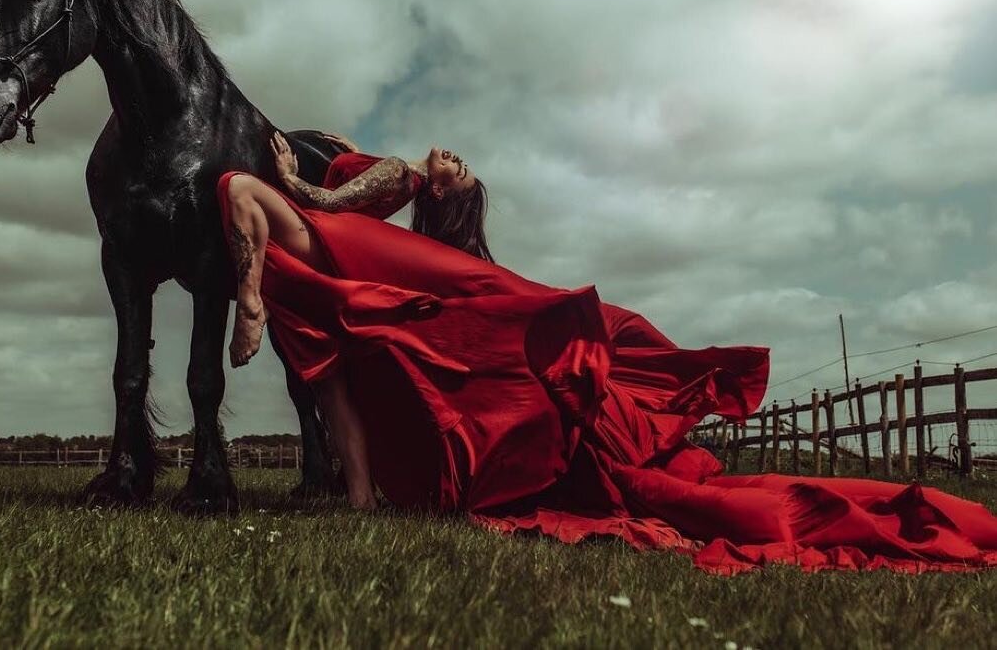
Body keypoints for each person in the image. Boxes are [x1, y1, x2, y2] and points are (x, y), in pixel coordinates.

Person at [218, 132, 997, 573]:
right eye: (447, 158)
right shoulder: (394, 211)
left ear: (451, 197)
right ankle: (370, 491)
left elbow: (352, 191)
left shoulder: (416, 204)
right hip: (365, 282)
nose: (443, 154)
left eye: (456, 165)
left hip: (383, 272)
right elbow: (357, 186)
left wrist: (302, 185)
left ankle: (423, 474)